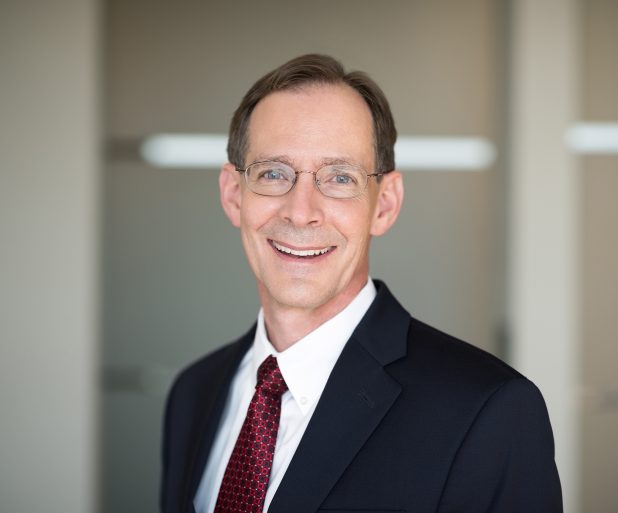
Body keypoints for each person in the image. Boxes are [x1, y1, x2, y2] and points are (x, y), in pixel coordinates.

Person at [161, 53, 562, 513]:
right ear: (234, 194)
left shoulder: (488, 411)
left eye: (340, 178)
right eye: (273, 173)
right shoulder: (194, 393)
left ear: (384, 205)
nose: (301, 212)